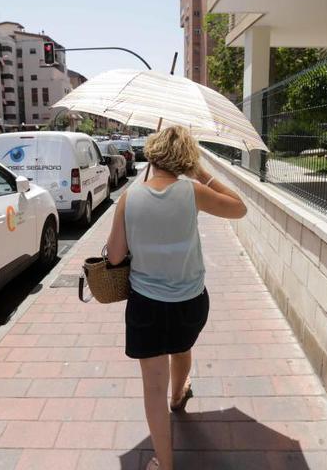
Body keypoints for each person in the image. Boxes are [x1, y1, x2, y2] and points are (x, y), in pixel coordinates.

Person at [105, 125, 247, 470]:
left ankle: (164, 463)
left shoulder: (129, 197)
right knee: (181, 349)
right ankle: (179, 394)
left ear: (152, 154)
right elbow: (239, 208)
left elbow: (113, 257)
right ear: (185, 159)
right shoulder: (193, 192)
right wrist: (203, 175)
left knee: (151, 388)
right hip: (189, 304)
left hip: (146, 307)